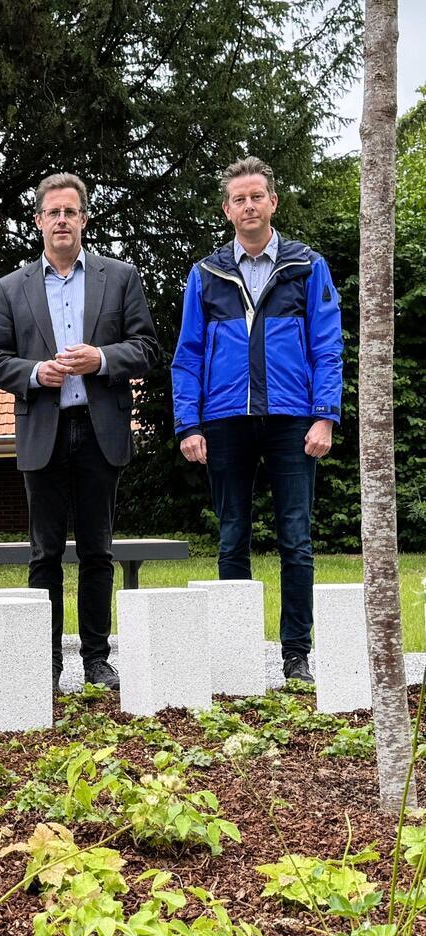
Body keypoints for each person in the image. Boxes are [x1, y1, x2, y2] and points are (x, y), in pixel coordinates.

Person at [0, 171, 159, 692]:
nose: (62, 220)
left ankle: (96, 660)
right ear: (38, 221)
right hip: (43, 430)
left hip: (98, 430)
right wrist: (37, 373)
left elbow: (148, 349)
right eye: (52, 212)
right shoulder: (10, 288)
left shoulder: (120, 276)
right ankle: (47, 664)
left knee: (98, 552)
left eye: (71, 212)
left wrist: (101, 358)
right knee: (44, 555)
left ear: (84, 219)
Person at [172, 156, 343, 684]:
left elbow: (327, 346)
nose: (248, 206)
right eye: (238, 199)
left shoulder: (307, 266)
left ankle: (297, 654)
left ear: (273, 202)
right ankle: (235, 652)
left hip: (294, 419)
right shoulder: (205, 274)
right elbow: (188, 353)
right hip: (224, 421)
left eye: (256, 196)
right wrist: (188, 423)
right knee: (232, 537)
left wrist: (325, 417)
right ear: (227, 210)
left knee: (296, 538)